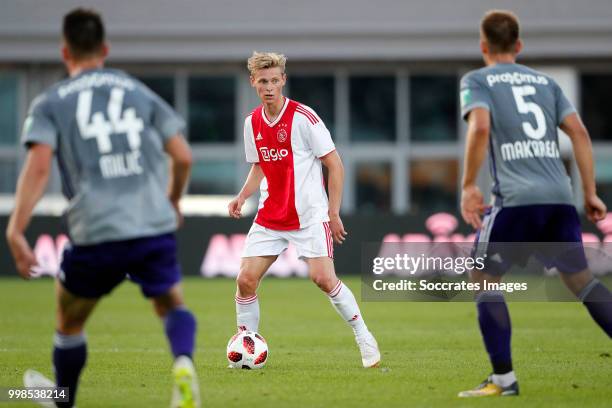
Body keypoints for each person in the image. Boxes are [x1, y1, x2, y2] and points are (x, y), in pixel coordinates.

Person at [5, 8, 199, 408]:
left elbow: (39, 167)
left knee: (69, 317)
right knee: (171, 305)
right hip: (151, 224)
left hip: (96, 228)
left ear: (65, 52)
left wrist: (15, 229)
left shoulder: (50, 102)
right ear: (105, 49)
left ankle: (63, 399)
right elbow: (182, 157)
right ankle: (183, 363)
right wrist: (172, 201)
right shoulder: (135, 89)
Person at [458, 9, 612, 397]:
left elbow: (480, 126)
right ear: (519, 46)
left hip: (515, 199)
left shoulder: (478, 79)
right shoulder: (545, 83)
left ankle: (504, 380)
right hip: (559, 198)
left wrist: (468, 186)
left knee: (482, 277)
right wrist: (589, 191)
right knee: (581, 281)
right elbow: (578, 131)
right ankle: (502, 379)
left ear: (483, 46)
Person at [228, 51, 380, 368]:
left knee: (323, 279)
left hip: (309, 216)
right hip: (270, 216)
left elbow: (335, 165)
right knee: (245, 279)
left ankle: (363, 335)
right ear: (253, 82)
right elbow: (259, 166)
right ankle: (246, 345)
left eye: (274, 80)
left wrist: (334, 212)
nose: (269, 87)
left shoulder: (304, 118)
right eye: (262, 81)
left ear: (283, 79)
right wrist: (242, 196)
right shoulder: (251, 123)